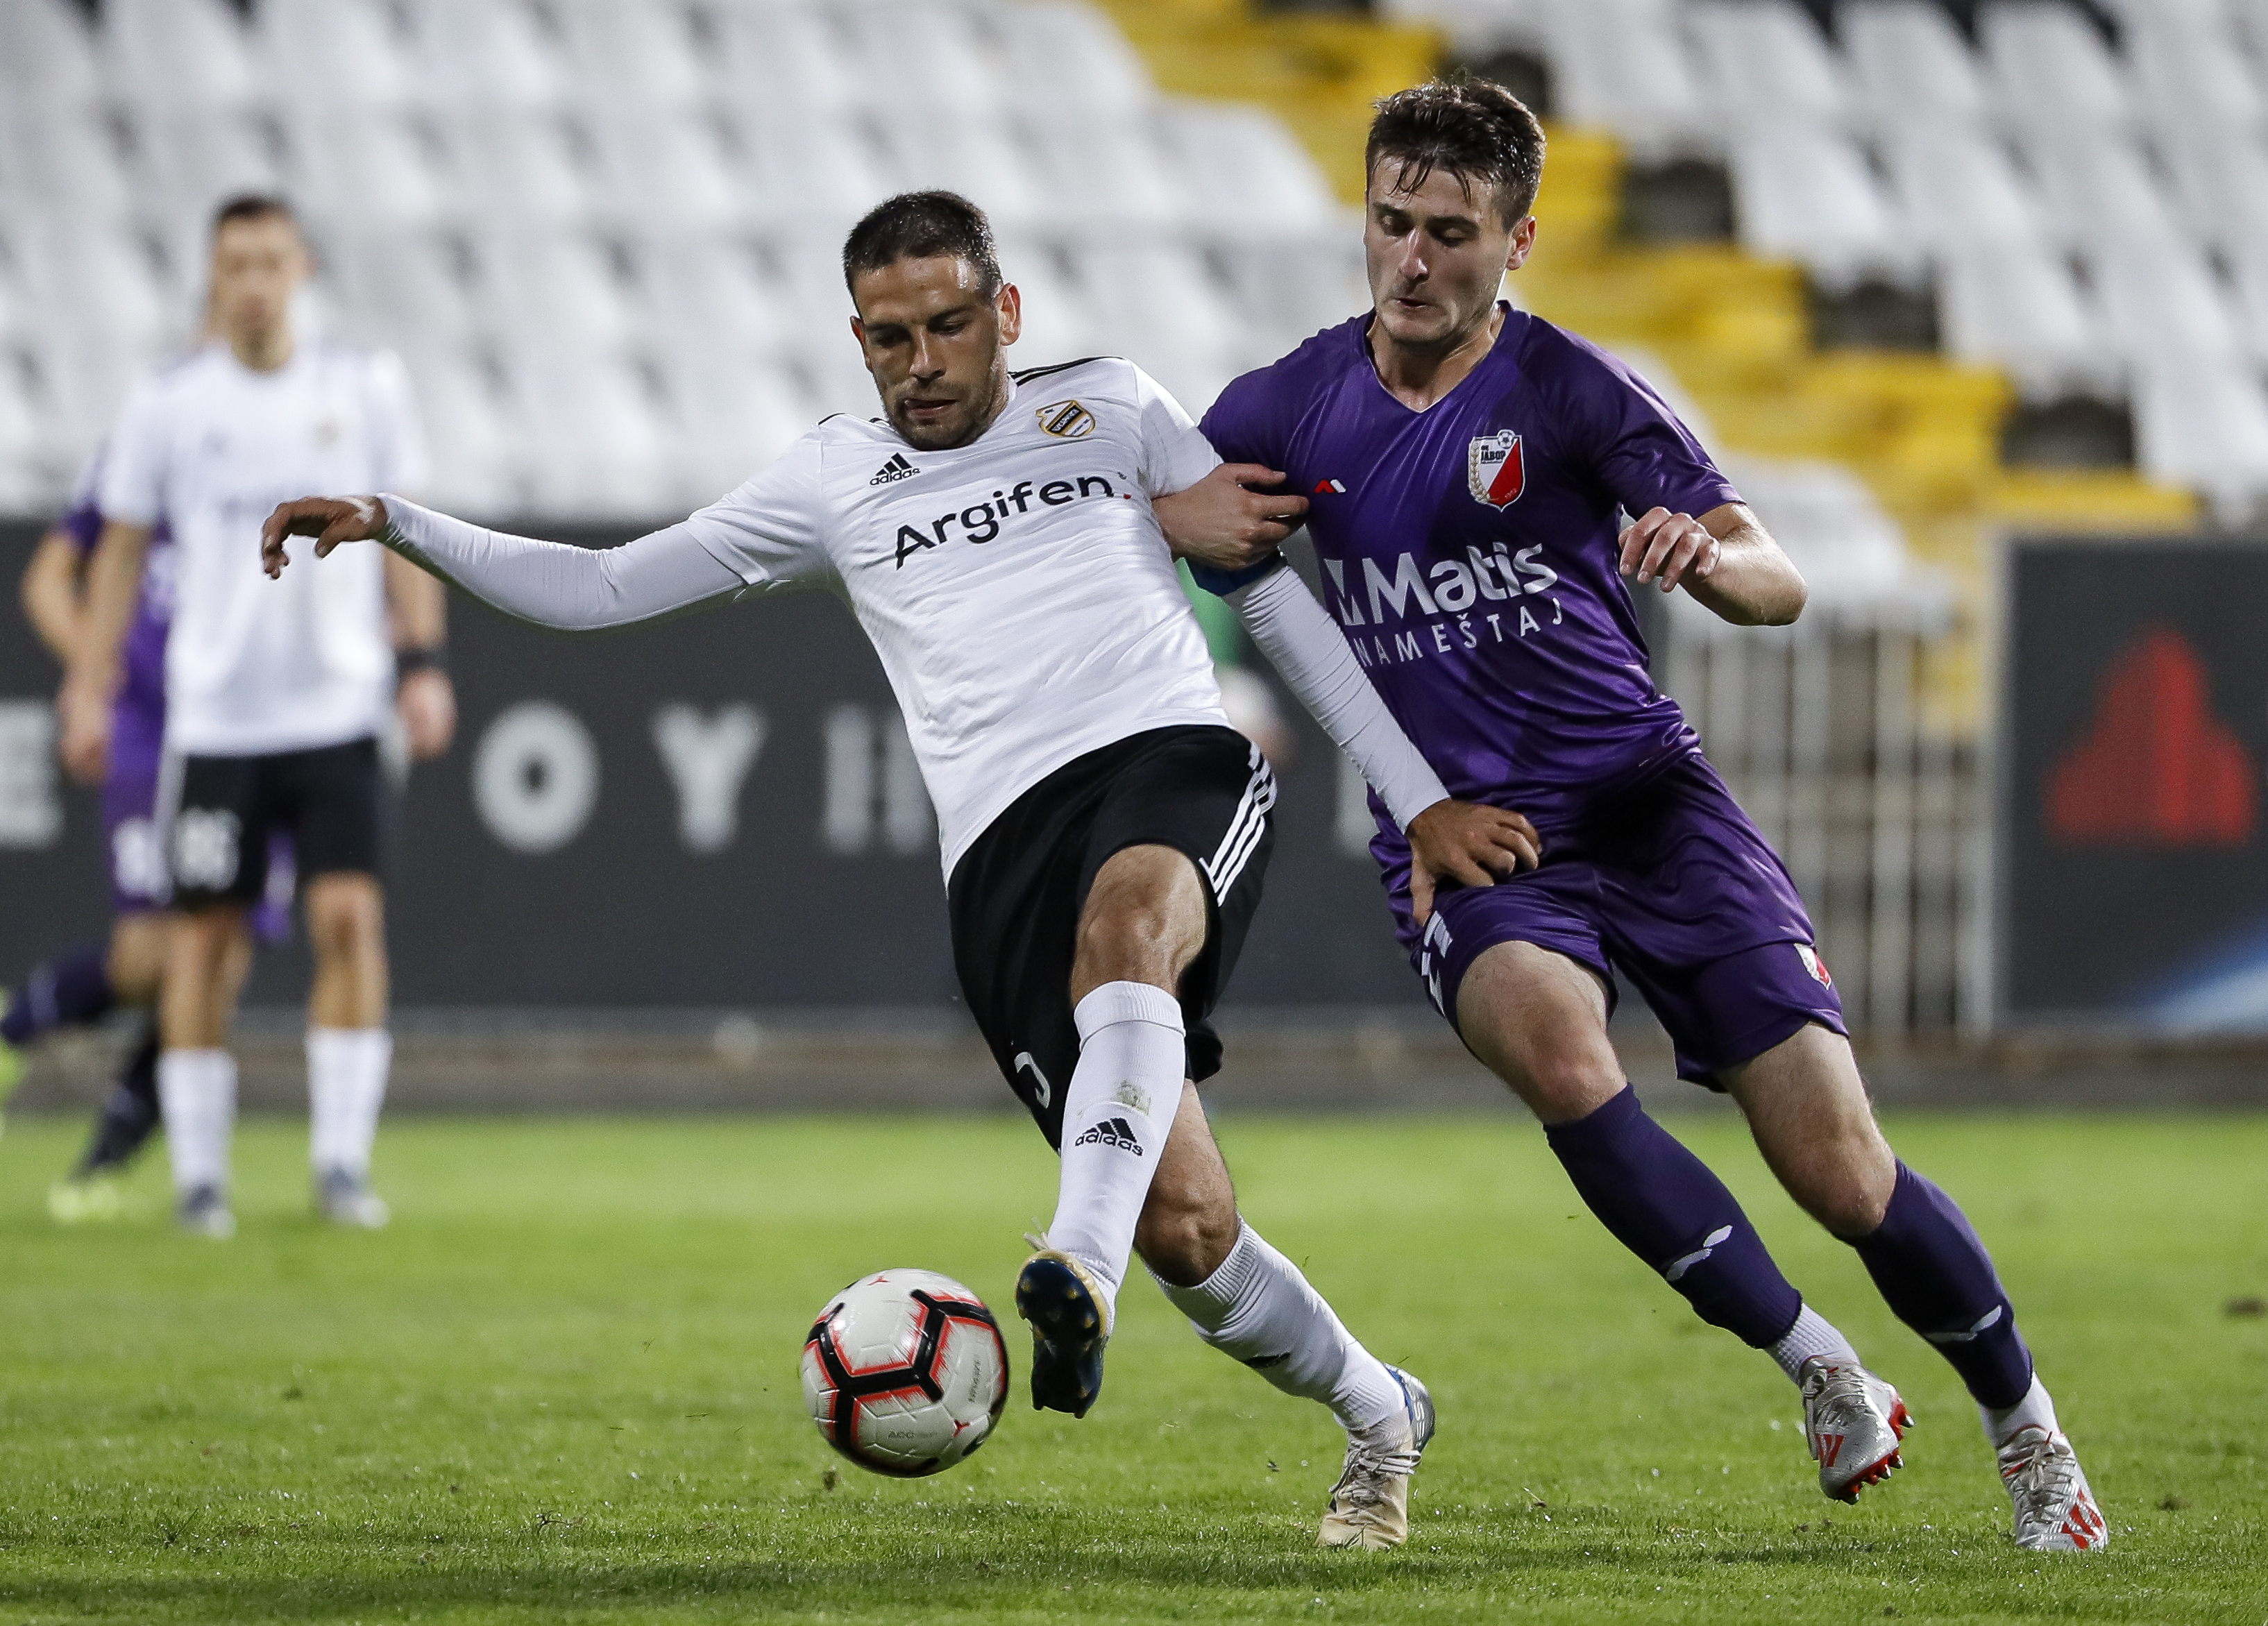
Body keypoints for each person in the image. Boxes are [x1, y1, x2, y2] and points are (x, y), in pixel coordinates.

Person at [257, 190, 1531, 1552]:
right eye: (885, 339)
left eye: (943, 325)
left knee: (1127, 932)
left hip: (1165, 760)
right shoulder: (829, 477)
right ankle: (1376, 1406)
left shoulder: (1111, 406)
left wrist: (1420, 798)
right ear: (855, 339)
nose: (918, 361)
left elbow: (1270, 594)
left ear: (1005, 315)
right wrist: (398, 520)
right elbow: (606, 587)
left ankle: (1073, 1273)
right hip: (996, 851)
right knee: (1190, 1227)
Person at [1178, 78, 2106, 1554]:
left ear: (1516, 239)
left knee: (1841, 1167)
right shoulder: (1284, 405)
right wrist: (1171, 516)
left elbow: (1771, 574)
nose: (1408, 261)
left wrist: (1708, 561)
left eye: (1447, 232)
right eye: (1387, 223)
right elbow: (1160, 503)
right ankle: (1817, 1365)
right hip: (1472, 840)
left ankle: (2027, 1431)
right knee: (1557, 1047)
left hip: (1651, 808)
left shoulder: (1571, 392)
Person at [61, 193, 454, 1238]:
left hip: (338, 705)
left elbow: (410, 530)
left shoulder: (364, 386)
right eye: (233, 264)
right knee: (203, 938)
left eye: (269, 261)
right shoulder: (170, 402)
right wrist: (89, 684)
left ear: (303, 270)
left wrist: (421, 662)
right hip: (218, 719)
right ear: (212, 277)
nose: (252, 283)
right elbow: (121, 555)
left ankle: (338, 1162)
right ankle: (200, 1175)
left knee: (348, 918)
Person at [5, 443, 291, 1221]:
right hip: (156, 736)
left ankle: (104, 1163)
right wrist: (100, 672)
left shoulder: (289, 436)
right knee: (153, 956)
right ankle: (17, 1025)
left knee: (219, 961)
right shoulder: (146, 449)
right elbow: (48, 582)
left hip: (261, 731)